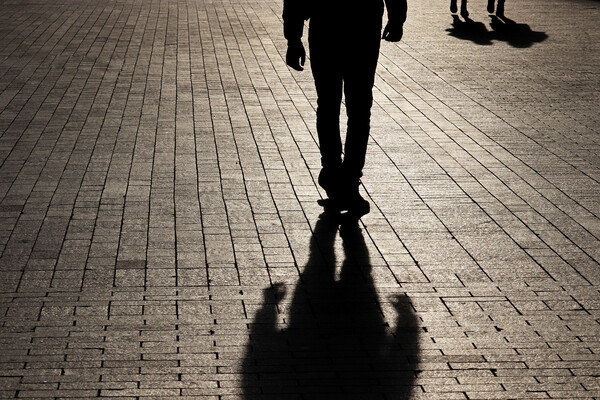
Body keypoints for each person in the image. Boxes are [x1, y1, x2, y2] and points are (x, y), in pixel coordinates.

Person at [283, 0, 407, 216]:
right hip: (363, 27)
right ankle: (348, 178)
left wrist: (293, 38)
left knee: (329, 105)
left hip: (327, 25)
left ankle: (333, 172)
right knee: (358, 108)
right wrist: (397, 17)